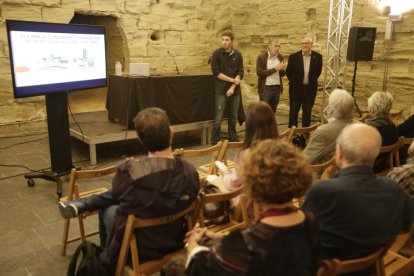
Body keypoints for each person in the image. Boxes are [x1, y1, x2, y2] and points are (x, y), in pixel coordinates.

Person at [59, 107, 200, 271]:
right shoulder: (190, 173)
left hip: (138, 250)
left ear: (141, 140)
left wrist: (134, 166)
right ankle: (87, 203)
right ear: (171, 132)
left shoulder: (128, 175)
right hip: (175, 240)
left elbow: (118, 194)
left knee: (108, 209)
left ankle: (108, 265)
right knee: (122, 200)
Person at [186, 139, 318, 275]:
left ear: (253, 185)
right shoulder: (310, 221)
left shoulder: (248, 243)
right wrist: (219, 237)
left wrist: (193, 246)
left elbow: (202, 268)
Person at [302, 124, 414, 268]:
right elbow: (405, 228)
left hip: (326, 269)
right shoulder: (393, 190)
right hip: (371, 268)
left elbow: (302, 237)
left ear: (340, 153)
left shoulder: (322, 191)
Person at [211, 101, 279, 194]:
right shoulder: (282, 151)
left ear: (250, 125)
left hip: (249, 203)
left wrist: (225, 172)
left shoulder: (247, 154)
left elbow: (233, 184)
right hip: (276, 199)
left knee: (211, 179)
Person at [303, 88, 356, 164]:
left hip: (327, 174)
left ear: (331, 110)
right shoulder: (360, 126)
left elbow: (305, 160)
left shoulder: (324, 131)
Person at [210, 30, 244, 145]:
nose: (224, 42)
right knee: (218, 118)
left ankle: (233, 138)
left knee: (233, 116)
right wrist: (232, 80)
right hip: (220, 90)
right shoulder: (216, 54)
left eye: (227, 40)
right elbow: (217, 73)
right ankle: (215, 141)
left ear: (232, 41)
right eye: (223, 40)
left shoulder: (238, 54)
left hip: (235, 90)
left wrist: (233, 86)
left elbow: (241, 71)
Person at [286, 35, 322, 128]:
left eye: (307, 43)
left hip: (309, 89)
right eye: (303, 43)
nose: (304, 45)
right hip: (296, 89)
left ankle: (305, 132)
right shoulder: (293, 57)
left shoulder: (318, 57)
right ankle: (292, 132)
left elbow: (318, 72)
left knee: (307, 112)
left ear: (311, 44)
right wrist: (295, 82)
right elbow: (288, 72)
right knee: (293, 112)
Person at [365, 91, 399, 173]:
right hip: (382, 166)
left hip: (367, 168)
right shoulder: (392, 126)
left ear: (373, 107)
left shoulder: (370, 127)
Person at [256, 38, 287, 113]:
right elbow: (259, 73)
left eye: (279, 46)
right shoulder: (262, 57)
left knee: (272, 112)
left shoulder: (280, 57)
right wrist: (275, 69)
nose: (277, 48)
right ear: (269, 46)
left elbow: (282, 75)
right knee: (264, 112)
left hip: (277, 88)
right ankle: (262, 125)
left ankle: (270, 125)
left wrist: (283, 70)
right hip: (266, 88)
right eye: (275, 46)